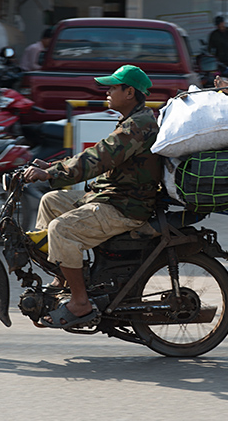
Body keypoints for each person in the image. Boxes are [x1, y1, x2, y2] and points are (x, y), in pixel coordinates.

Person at [23, 64, 162, 328]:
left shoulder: (138, 126)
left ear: (129, 91)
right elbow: (97, 154)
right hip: (110, 197)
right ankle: (64, 276)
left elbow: (98, 159)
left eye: (112, 87)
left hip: (125, 207)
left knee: (61, 229)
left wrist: (51, 174)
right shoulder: (131, 121)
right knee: (50, 202)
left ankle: (80, 302)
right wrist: (50, 169)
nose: (107, 92)